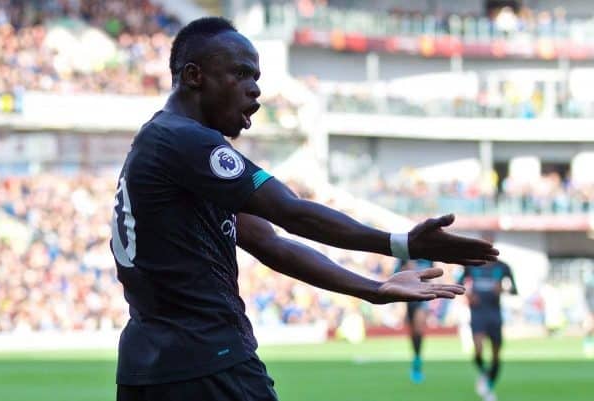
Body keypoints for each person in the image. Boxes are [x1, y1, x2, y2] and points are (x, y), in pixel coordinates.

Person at [110, 17, 499, 401]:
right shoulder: (186, 141)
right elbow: (291, 212)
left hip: (148, 368)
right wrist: (400, 244)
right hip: (209, 361)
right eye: (242, 74)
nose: (255, 92)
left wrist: (373, 288)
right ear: (194, 76)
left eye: (257, 79)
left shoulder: (159, 144)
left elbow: (271, 243)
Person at [457, 252, 517, 401]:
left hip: (494, 314)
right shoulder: (471, 265)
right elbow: (459, 284)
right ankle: (485, 376)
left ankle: (488, 383)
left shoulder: (503, 267)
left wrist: (503, 289)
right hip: (478, 313)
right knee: (478, 350)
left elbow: (514, 290)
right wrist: (469, 295)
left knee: (496, 355)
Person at [394, 259, 434, 383]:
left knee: (418, 328)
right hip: (408, 296)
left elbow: (432, 275)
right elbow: (395, 275)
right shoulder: (404, 256)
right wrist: (406, 268)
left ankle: (418, 360)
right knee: (413, 333)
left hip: (422, 296)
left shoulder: (428, 257)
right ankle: (416, 357)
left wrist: (422, 274)